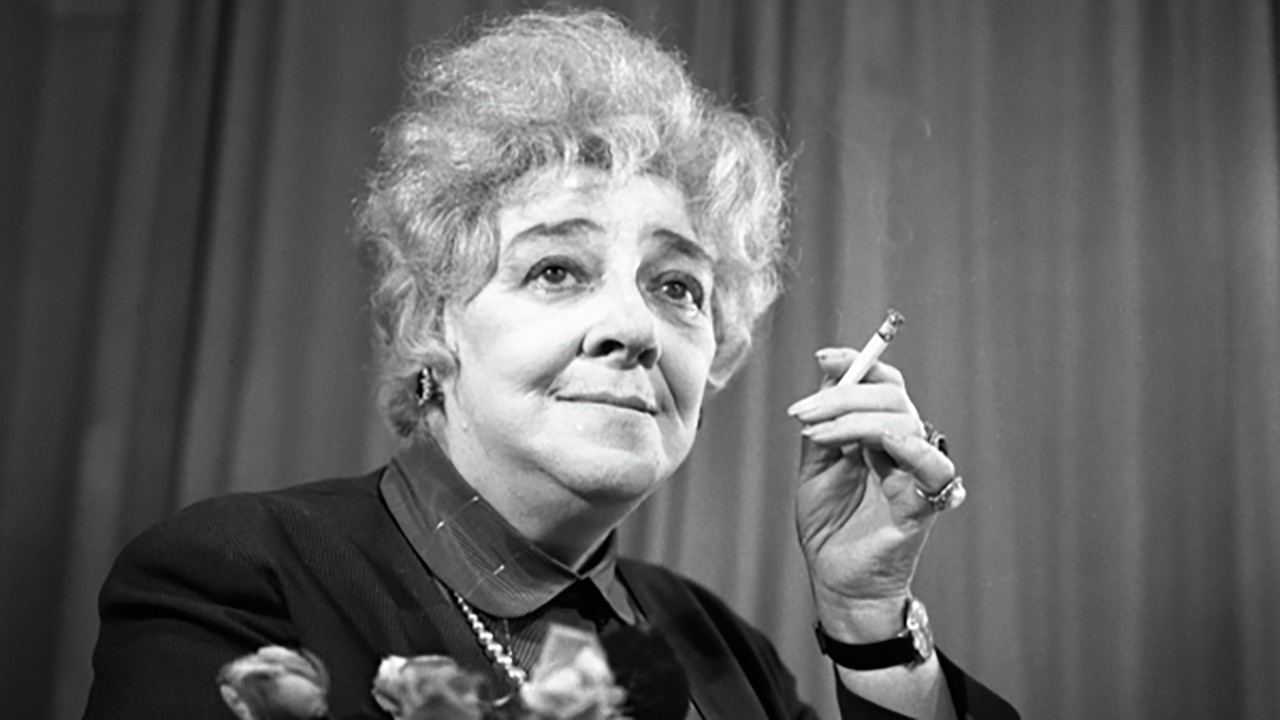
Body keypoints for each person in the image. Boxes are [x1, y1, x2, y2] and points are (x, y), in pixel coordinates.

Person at [83, 9, 1017, 720]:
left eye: (678, 287)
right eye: (557, 270)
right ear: (434, 326)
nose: (635, 328)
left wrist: (867, 619)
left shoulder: (721, 651)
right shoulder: (239, 578)